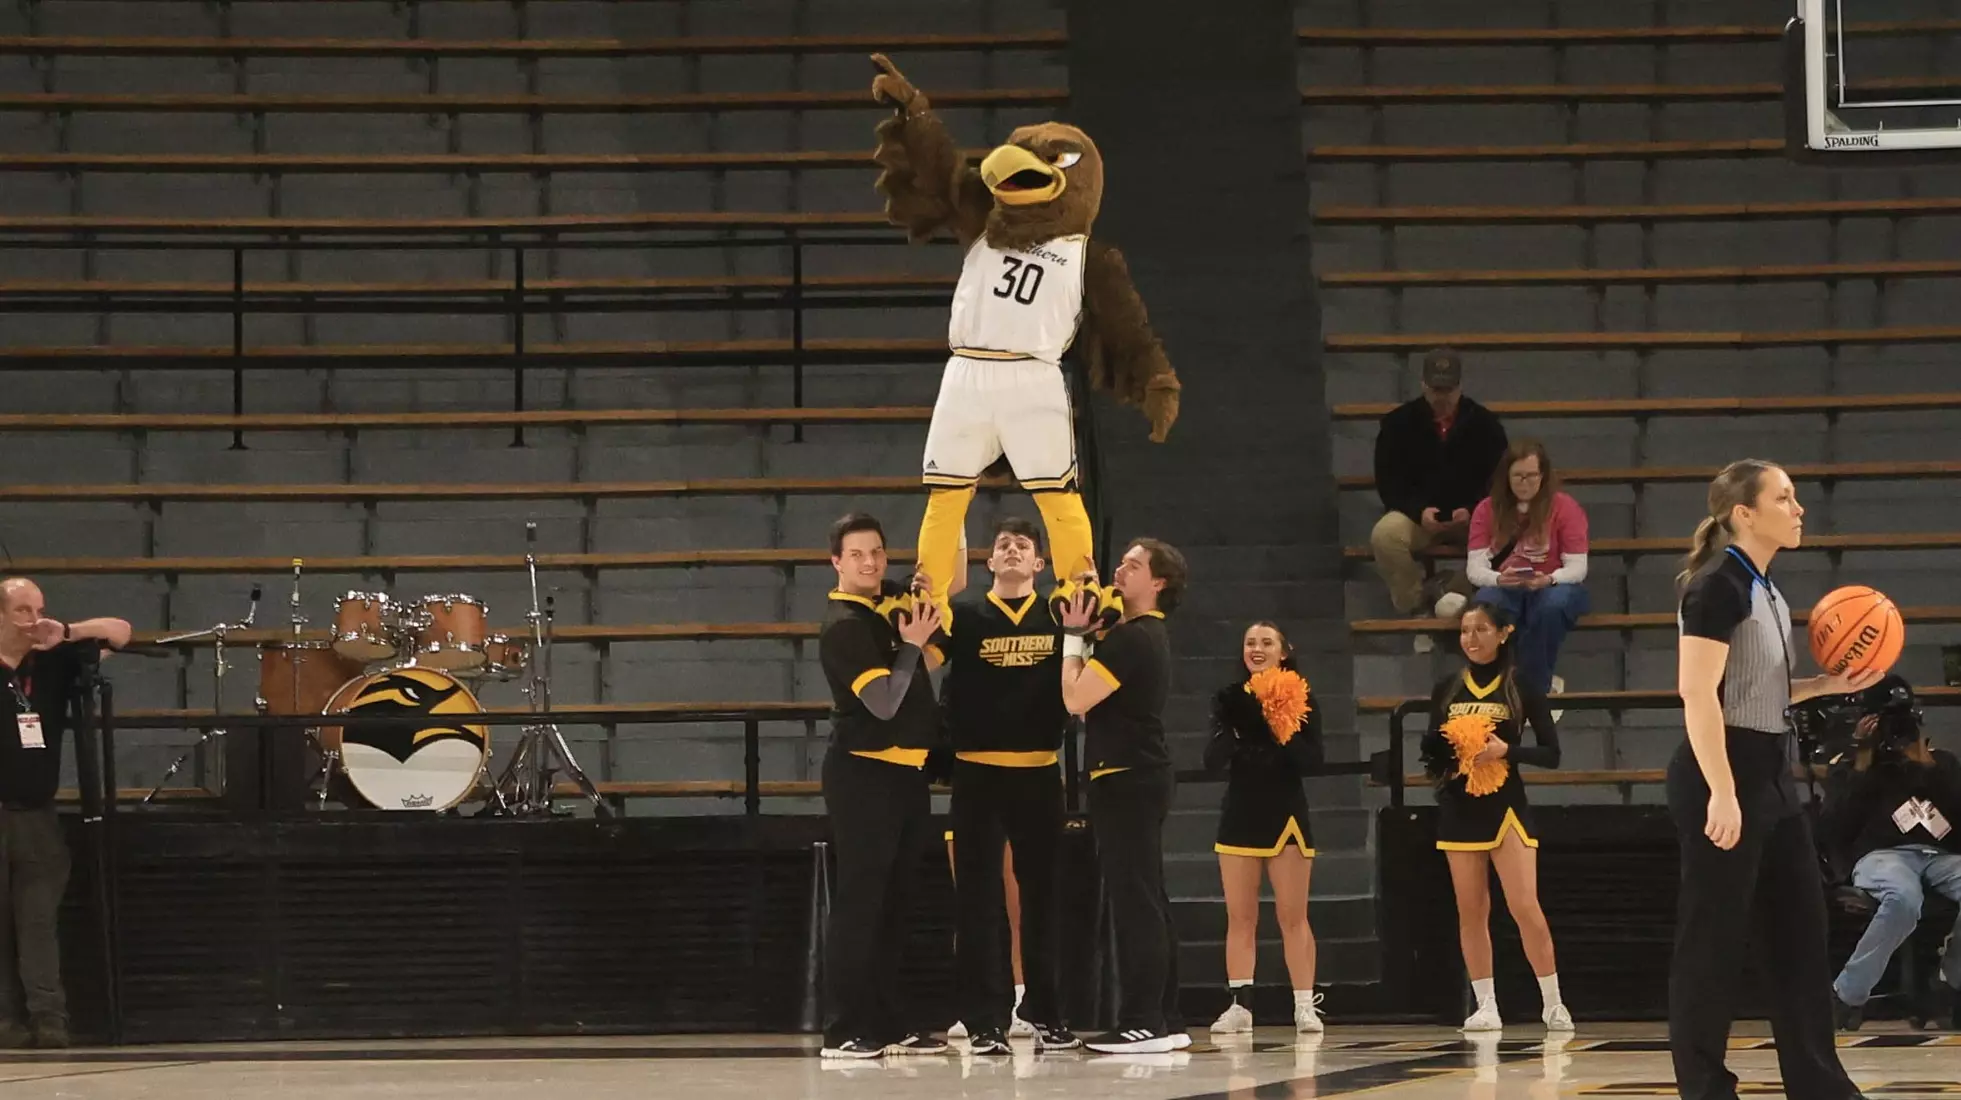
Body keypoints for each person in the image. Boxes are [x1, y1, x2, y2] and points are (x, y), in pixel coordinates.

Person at [1669, 459, 1878, 1100]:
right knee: (1713, 942)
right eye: (1785, 498)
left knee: (1800, 935)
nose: (1798, 508)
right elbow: (1697, 693)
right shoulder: (1716, 587)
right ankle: (1706, 1088)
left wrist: (1828, 684)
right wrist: (1724, 792)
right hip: (1721, 773)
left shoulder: (1766, 587)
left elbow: (1760, 688)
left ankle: (1820, 1085)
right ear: (1745, 514)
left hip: (1772, 775)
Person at [939, 517, 1080, 1053]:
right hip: (976, 773)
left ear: (1039, 563)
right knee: (976, 901)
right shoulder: (966, 615)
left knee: (1042, 900)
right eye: (1003, 546)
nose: (1014, 551)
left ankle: (1045, 1011)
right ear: (989, 562)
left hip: (1040, 772)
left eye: (1024, 545)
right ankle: (982, 1020)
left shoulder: (1059, 615)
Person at [815, 514, 950, 1060]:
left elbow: (938, 651)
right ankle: (843, 1028)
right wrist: (913, 644)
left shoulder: (888, 602)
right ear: (837, 563)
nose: (870, 563)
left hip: (907, 773)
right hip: (863, 774)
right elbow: (885, 702)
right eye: (857, 555)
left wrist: (924, 612)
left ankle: (890, 1021)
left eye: (876, 552)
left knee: (897, 902)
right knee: (862, 902)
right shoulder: (845, 625)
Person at [1059, 538, 1187, 1054]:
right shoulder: (1135, 635)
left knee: (1135, 898)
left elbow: (1075, 699)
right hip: (1138, 773)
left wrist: (1072, 639)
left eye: (1133, 566)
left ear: (1158, 583)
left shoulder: (1133, 638)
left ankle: (1143, 1018)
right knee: (1148, 895)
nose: (1120, 570)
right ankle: (1166, 1015)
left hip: (1127, 775)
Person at [1419, 598, 1572, 1033]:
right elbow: (1432, 750)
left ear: (1503, 633)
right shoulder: (1447, 687)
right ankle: (1486, 1004)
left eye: (1481, 629)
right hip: (1459, 807)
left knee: (1525, 906)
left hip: (1507, 806)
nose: (1471, 638)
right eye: (1465, 631)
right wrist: (1455, 759)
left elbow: (1552, 753)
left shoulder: (1522, 685)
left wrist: (1507, 750)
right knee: (1471, 911)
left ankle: (1553, 1002)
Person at [0, 577, 131, 1049]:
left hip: (36, 812)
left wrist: (68, 631)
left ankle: (48, 1016)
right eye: (21, 610)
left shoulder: (51, 660)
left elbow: (120, 632)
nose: (33, 619)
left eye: (38, 608)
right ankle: (5, 1022)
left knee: (38, 921)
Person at [1204, 621, 1325, 1035]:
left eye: (1266, 642)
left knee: (1293, 916)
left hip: (1286, 815)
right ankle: (1240, 1004)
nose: (1256, 648)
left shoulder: (1303, 697)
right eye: (1250, 642)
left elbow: (1313, 761)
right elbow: (1211, 760)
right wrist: (1239, 728)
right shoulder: (1229, 699)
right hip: (1239, 814)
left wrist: (1278, 724)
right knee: (1240, 918)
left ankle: (1304, 1005)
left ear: (1284, 650)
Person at [1823, 679, 1961, 1030]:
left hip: (1939, 855)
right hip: (1881, 855)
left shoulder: (1940, 762)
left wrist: (1926, 763)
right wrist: (1863, 759)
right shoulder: (1854, 765)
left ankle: (1950, 984)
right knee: (1903, 898)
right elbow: (1834, 827)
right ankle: (1847, 994)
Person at [1371, 347, 1509, 621]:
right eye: (1435, 389)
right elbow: (1388, 480)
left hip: (1473, 516)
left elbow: (1499, 479)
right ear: (1423, 385)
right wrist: (1418, 511)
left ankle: (1455, 592)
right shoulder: (1397, 424)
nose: (1441, 397)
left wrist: (1472, 509)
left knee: (1510, 531)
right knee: (1385, 536)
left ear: (1460, 387)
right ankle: (1416, 605)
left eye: (1448, 390)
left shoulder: (1485, 425)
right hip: (1417, 516)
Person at [1466, 440, 1590, 696]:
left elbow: (1577, 567)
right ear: (1506, 477)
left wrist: (1549, 579)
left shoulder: (1565, 507)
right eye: (1518, 476)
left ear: (1543, 476)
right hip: (1507, 584)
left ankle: (1532, 690)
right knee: (1486, 606)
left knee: (1551, 607)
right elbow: (1475, 568)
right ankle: (1495, 684)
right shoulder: (1486, 509)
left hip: (1553, 583)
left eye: (1531, 476)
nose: (1525, 483)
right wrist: (1499, 579)